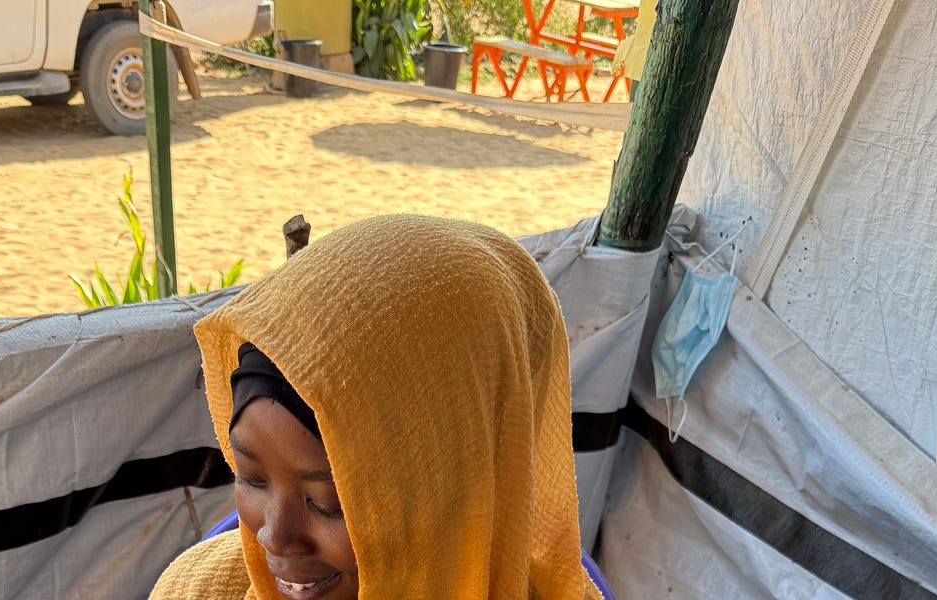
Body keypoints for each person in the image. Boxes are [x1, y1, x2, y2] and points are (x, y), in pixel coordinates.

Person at [150, 215, 604, 599]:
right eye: (251, 477)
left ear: (455, 487)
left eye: (327, 504)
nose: (274, 536)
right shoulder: (196, 591)